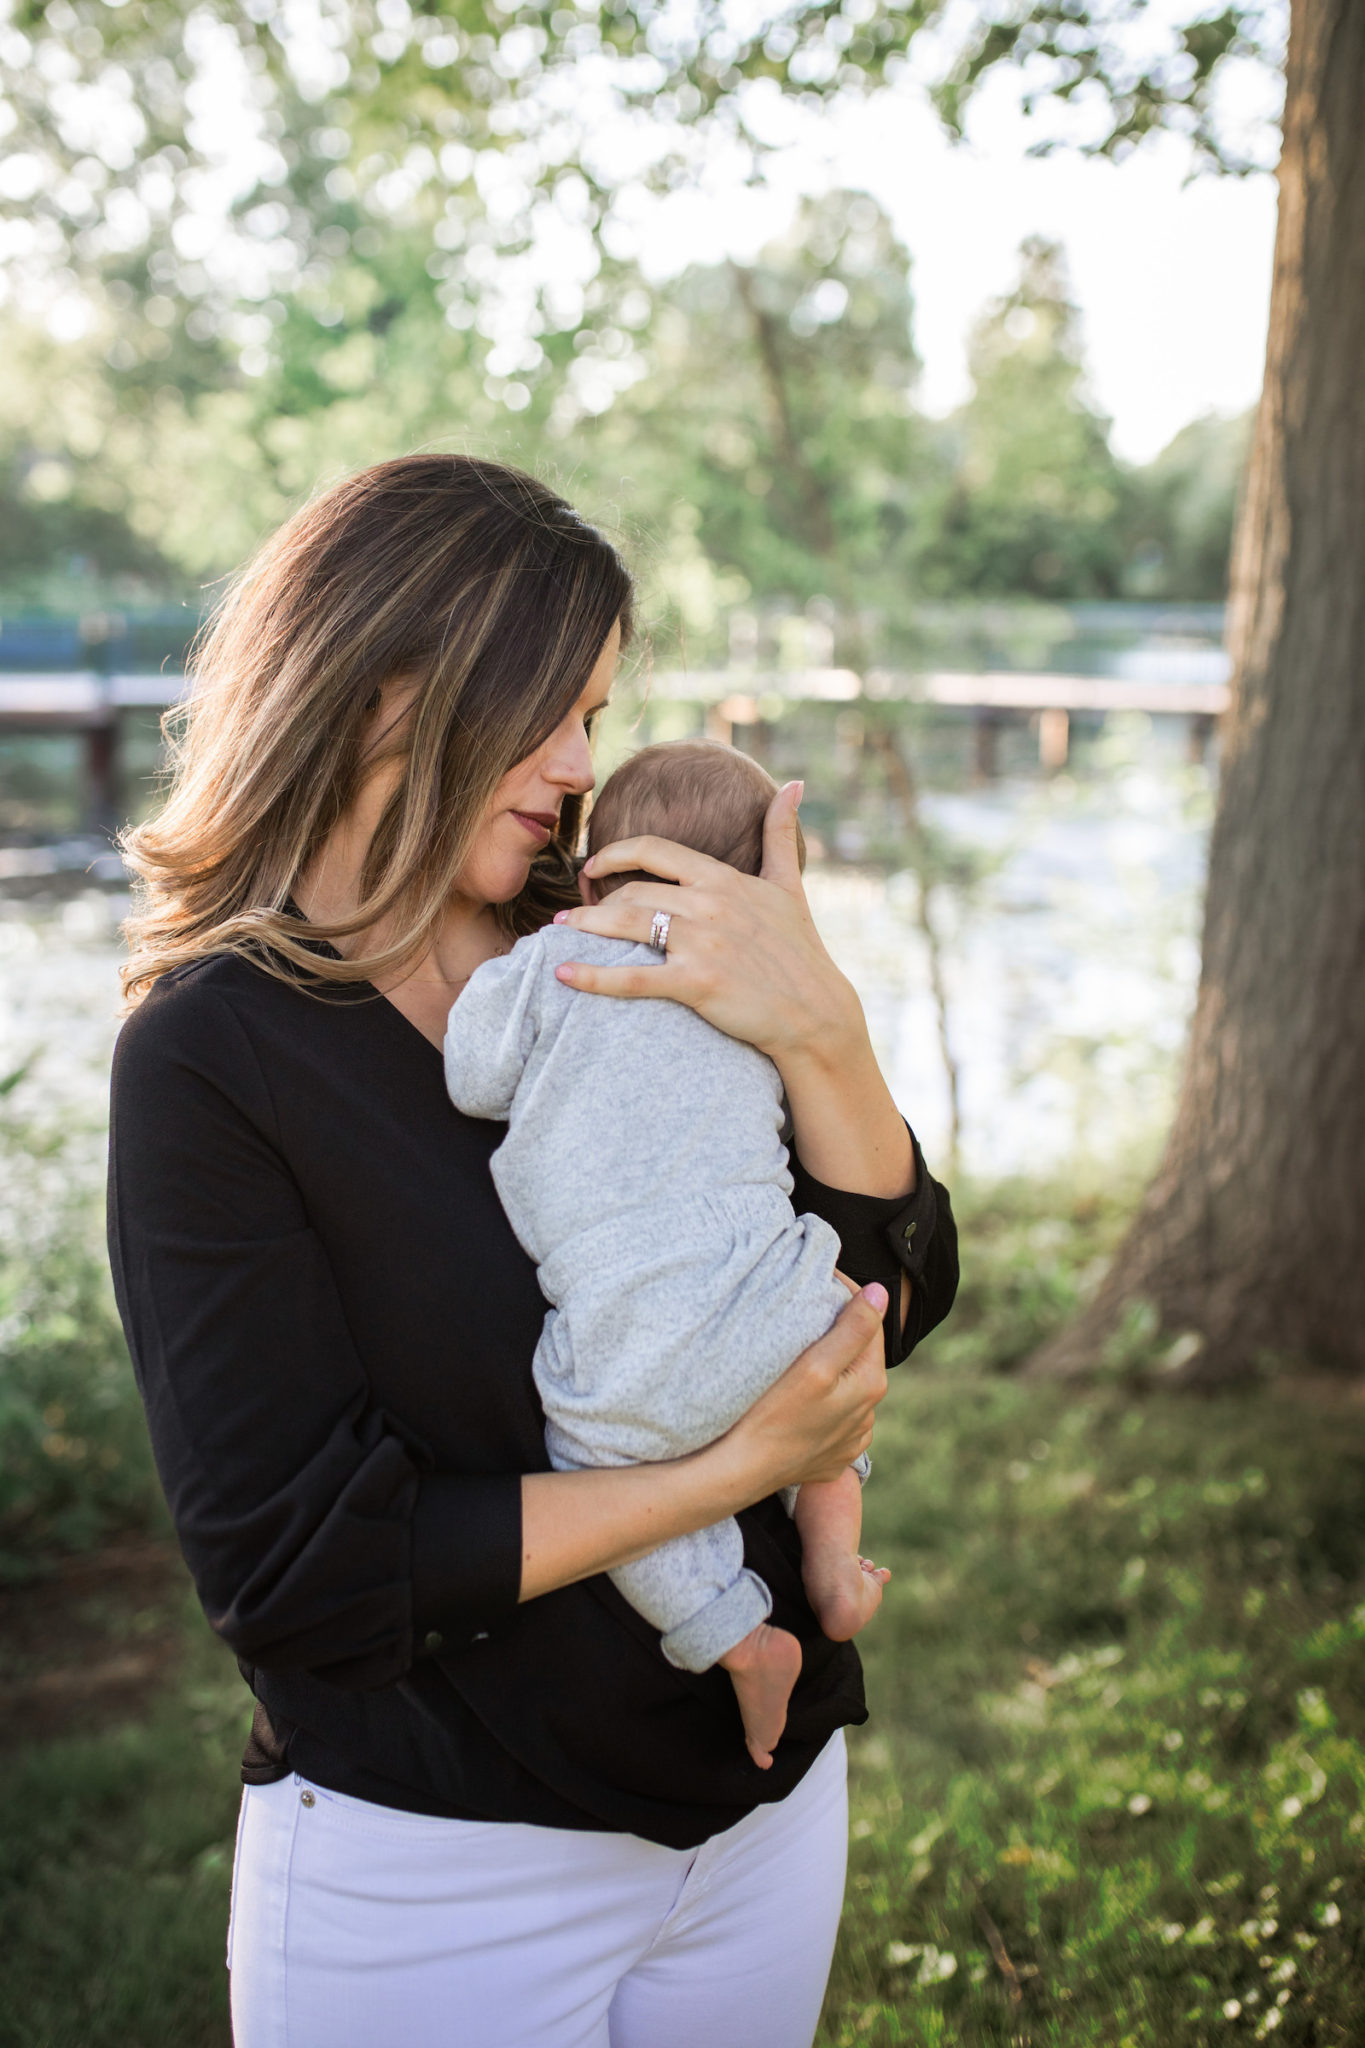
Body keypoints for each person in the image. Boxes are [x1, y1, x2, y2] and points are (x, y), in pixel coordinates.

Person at [107, 454, 958, 2048]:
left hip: (765, 1815)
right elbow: (304, 1576)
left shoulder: (611, 925)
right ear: (381, 691)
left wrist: (818, 1025)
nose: (582, 766)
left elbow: (892, 1291)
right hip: (441, 1875)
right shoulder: (214, 1058)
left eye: (596, 711)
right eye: (551, 712)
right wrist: (733, 1469)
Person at [444, 740, 891, 1773]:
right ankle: (832, 1558)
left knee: (601, 1465)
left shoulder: (554, 962)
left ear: (594, 872)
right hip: (774, 1287)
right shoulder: (752, 989)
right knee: (840, 1360)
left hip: (626, 1315)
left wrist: (509, 974)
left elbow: (472, 1077)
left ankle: (736, 1633)